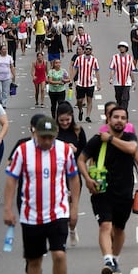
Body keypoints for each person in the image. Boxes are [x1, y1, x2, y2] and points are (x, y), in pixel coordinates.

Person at [4, 116, 80, 274]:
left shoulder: (64, 150)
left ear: (55, 135)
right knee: (34, 261)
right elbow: (12, 179)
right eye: (42, 137)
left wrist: (74, 208)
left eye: (50, 137)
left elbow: (73, 177)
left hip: (58, 212)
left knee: (59, 255)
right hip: (31, 215)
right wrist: (8, 209)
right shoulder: (23, 151)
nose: (46, 141)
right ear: (35, 134)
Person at [77, 106, 138, 274]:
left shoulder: (129, 138)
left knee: (119, 229)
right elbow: (81, 159)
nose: (119, 120)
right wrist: (87, 179)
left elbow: (132, 149)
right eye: (116, 117)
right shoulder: (97, 140)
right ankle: (108, 260)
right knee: (105, 225)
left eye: (123, 118)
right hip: (102, 191)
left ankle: (115, 258)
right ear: (109, 119)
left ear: (126, 122)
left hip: (124, 192)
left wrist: (111, 139)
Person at [55, 102, 87, 246]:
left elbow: (86, 152)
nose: (65, 123)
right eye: (62, 120)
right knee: (60, 207)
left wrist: (75, 150)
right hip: (56, 175)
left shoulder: (78, 131)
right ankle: (59, 236)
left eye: (67, 120)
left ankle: (72, 229)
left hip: (73, 175)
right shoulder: (53, 131)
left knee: (73, 209)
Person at [72, 44, 101, 123]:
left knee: (89, 100)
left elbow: (97, 71)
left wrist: (98, 83)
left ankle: (88, 116)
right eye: (87, 49)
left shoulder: (94, 60)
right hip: (81, 83)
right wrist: (71, 79)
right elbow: (75, 69)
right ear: (84, 50)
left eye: (89, 49)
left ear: (91, 51)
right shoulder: (79, 58)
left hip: (90, 83)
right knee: (80, 101)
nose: (88, 50)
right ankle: (80, 110)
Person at [110, 41, 137, 110]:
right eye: (120, 47)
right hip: (117, 82)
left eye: (123, 47)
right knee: (118, 98)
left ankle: (124, 111)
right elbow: (112, 69)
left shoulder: (129, 58)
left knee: (125, 98)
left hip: (127, 82)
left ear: (126, 49)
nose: (121, 49)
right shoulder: (115, 57)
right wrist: (111, 78)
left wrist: (133, 81)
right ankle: (120, 110)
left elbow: (131, 70)